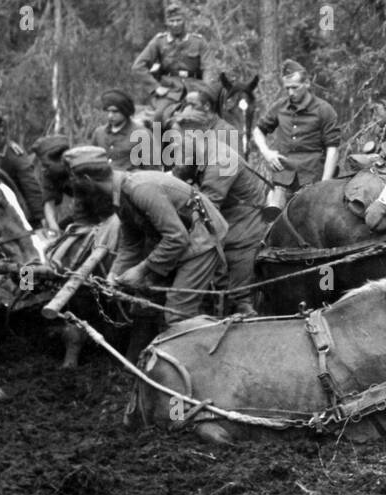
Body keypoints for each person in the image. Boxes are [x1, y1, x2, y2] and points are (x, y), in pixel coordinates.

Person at [66, 145, 227, 327]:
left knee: (178, 315)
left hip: (200, 240)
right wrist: (114, 274)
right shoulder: (119, 194)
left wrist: (141, 270)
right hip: (178, 239)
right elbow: (131, 242)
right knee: (145, 306)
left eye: (73, 178)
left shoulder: (139, 189)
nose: (71, 182)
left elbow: (176, 237)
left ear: (87, 180)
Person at [171, 101, 265, 317]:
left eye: (178, 141)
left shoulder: (221, 159)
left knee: (238, 299)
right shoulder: (199, 153)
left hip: (243, 231)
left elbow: (208, 207)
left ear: (194, 136)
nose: (175, 146)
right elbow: (180, 177)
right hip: (225, 223)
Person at [252, 59, 341, 214]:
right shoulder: (280, 107)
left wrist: (324, 186)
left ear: (307, 84)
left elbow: (332, 151)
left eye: (295, 87)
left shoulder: (324, 110)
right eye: (287, 88)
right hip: (282, 179)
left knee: (308, 224)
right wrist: (267, 153)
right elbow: (258, 131)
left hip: (312, 180)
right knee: (272, 219)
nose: (291, 93)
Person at [133, 1, 207, 117]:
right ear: (166, 23)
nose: (175, 24)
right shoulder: (159, 42)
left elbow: (210, 68)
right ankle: (157, 135)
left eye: (178, 20)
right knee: (159, 116)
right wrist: (155, 87)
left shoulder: (198, 42)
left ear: (184, 21)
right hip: (170, 91)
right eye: (172, 21)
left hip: (196, 89)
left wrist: (204, 92)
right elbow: (138, 66)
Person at [0, 102, 44, 227]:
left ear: (1, 128)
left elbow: (31, 189)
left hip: (11, 220)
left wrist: (38, 221)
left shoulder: (12, 154)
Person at [90, 89, 145, 170]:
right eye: (108, 111)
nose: (110, 116)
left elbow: (152, 172)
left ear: (125, 111)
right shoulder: (99, 133)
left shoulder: (142, 135)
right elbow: (92, 161)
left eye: (115, 112)